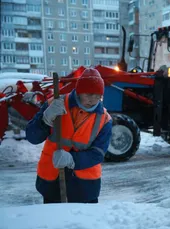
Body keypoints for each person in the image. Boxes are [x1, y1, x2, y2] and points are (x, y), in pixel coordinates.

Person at [26, 68, 112, 204]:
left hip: (85, 187)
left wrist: (72, 159)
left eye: (98, 96)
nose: (93, 100)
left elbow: (98, 153)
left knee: (84, 224)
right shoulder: (54, 104)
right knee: (54, 222)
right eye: (89, 94)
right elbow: (32, 137)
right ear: (79, 91)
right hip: (52, 181)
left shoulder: (105, 119)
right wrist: (45, 119)